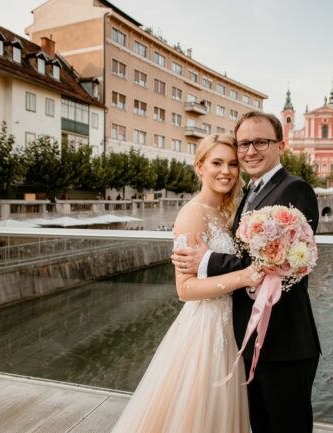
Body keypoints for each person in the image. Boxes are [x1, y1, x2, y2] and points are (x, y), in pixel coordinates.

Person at [173, 111, 321, 433]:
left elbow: (273, 264)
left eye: (260, 142)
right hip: (246, 339)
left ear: (280, 145)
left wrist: (208, 260)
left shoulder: (295, 190)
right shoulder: (249, 195)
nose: (250, 151)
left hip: (284, 343)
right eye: (244, 144)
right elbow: (245, 258)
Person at [110, 134, 263, 433]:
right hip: (206, 328)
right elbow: (185, 289)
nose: (226, 171)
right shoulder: (192, 215)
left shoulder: (227, 211)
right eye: (216, 163)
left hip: (231, 324)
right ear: (200, 166)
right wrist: (245, 276)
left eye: (232, 164)